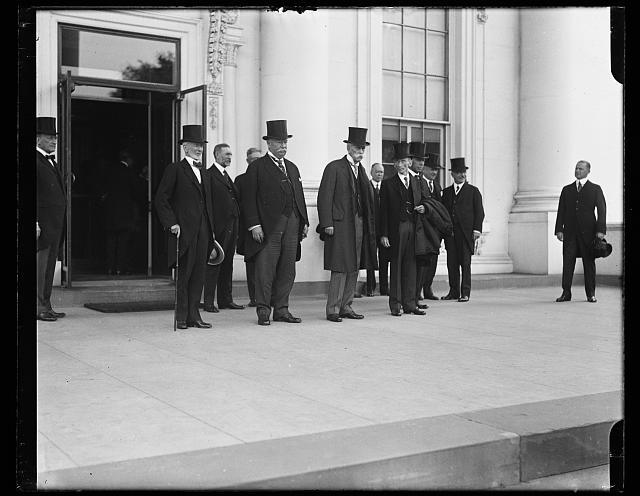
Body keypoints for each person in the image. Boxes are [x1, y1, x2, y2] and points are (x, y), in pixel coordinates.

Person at [242, 120, 310, 326]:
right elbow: (248, 198)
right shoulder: (257, 167)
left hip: (292, 226)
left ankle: (282, 309)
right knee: (266, 270)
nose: (283, 146)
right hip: (268, 227)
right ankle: (264, 310)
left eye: (285, 143)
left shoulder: (292, 167)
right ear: (269, 144)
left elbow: (299, 196)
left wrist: (304, 221)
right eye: (279, 142)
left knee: (288, 269)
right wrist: (254, 225)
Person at [154, 125, 216, 329]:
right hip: (185, 231)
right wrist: (171, 222)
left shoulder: (205, 172)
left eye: (201, 145)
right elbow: (162, 199)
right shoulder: (175, 169)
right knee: (185, 275)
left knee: (199, 274)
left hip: (204, 231)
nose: (199, 149)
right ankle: (181, 317)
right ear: (185, 147)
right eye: (195, 145)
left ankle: (194, 316)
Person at [317, 127, 378, 322]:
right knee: (340, 266)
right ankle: (333, 309)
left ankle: (346, 305)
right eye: (358, 148)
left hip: (358, 223)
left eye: (363, 149)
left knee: (354, 265)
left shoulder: (361, 171)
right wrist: (327, 222)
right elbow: (324, 197)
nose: (361, 152)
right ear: (349, 147)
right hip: (340, 224)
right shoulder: (334, 167)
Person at [379, 142, 428, 316]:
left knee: (411, 267)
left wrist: (424, 208)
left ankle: (410, 304)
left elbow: (425, 200)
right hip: (396, 228)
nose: (402, 165)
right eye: (399, 162)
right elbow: (382, 211)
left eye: (405, 161)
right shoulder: (388, 184)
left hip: (413, 228)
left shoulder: (416, 182)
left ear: (409, 161)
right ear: (394, 164)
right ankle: (395, 305)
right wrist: (384, 234)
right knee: (397, 267)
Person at [554, 160, 606, 303]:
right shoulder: (567, 189)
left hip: (589, 234)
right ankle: (566, 292)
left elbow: (602, 211)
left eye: (581, 169)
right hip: (570, 234)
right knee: (567, 262)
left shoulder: (595, 189)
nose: (577, 171)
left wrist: (600, 231)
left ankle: (591, 294)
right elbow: (561, 211)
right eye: (576, 168)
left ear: (588, 171)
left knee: (589, 264)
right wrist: (559, 229)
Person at [203, 143, 244, 312]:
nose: (229, 157)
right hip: (218, 227)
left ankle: (226, 300)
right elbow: (208, 204)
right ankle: (208, 302)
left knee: (227, 263)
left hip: (232, 225)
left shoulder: (226, 176)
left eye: (231, 155)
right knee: (214, 263)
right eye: (226, 154)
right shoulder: (209, 175)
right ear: (216, 155)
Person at [441, 157, 485, 302]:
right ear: (452, 174)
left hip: (466, 234)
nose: (462, 175)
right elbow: (443, 213)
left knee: (465, 264)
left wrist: (477, 230)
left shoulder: (473, 191)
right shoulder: (446, 193)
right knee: (451, 264)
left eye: (464, 172)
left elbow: (480, 212)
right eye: (459, 172)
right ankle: (453, 292)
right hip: (451, 234)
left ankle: (465, 293)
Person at [36, 117, 67, 322]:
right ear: (37, 139)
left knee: (48, 269)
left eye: (54, 138)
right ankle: (38, 307)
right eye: (49, 138)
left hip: (55, 225)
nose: (53, 141)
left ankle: (46, 305)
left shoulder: (51, 161)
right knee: (40, 268)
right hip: (43, 226)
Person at [101, 150, 139, 276]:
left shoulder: (109, 171)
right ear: (128, 159)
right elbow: (136, 192)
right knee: (123, 242)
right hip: (125, 213)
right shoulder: (130, 173)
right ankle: (120, 268)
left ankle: (110, 268)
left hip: (110, 213)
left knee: (110, 242)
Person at [235, 147, 262, 307]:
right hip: (248, 229)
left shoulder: (267, 177)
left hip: (267, 229)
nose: (256, 163)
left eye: (259, 159)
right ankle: (254, 298)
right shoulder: (240, 180)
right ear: (247, 161)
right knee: (251, 266)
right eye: (253, 160)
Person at [407, 142, 431, 310]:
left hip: (421, 229)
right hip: (408, 228)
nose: (421, 163)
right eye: (418, 160)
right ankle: (407, 299)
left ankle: (415, 297)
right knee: (409, 266)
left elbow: (428, 201)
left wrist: (426, 207)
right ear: (410, 160)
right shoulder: (407, 178)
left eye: (423, 160)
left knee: (420, 265)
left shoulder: (421, 180)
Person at [420, 153, 444, 301]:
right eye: (432, 169)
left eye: (436, 170)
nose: (434, 172)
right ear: (424, 169)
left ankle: (428, 288)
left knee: (433, 261)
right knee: (422, 261)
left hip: (435, 230)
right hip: (423, 229)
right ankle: (418, 290)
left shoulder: (437, 186)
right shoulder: (418, 183)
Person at [365, 162, 389, 297]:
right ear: (371, 172)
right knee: (370, 259)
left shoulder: (385, 187)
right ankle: (370, 287)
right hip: (370, 229)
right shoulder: (367, 186)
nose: (380, 174)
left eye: (382, 172)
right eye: (377, 172)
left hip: (383, 230)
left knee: (384, 259)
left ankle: (384, 287)